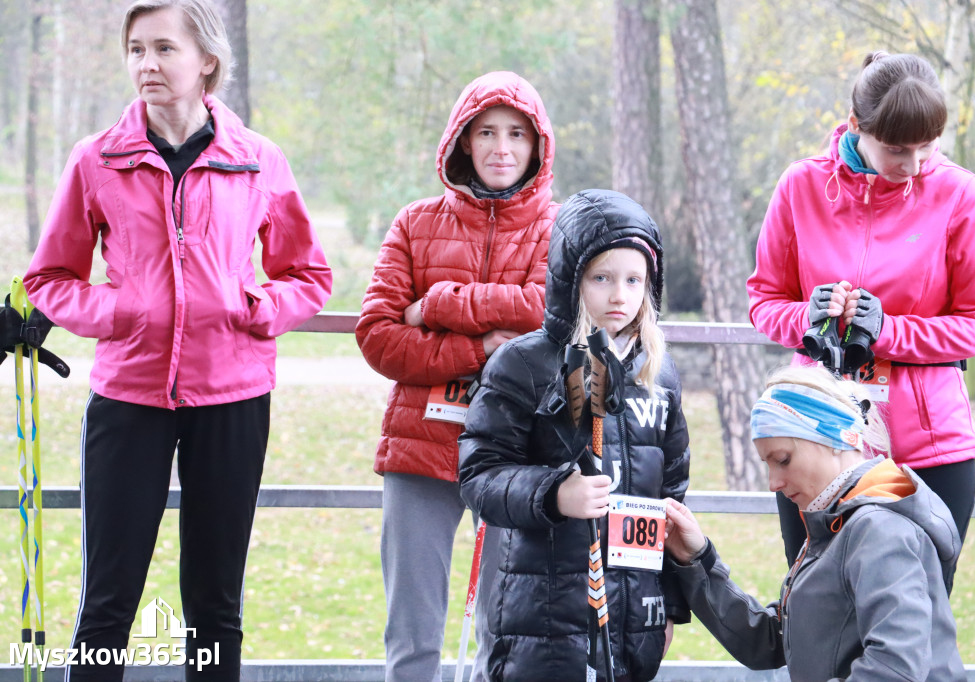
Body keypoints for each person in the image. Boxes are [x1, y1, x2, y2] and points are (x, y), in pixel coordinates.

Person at [23, 0, 332, 678]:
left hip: (235, 395)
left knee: (216, 606)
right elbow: (50, 276)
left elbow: (309, 274)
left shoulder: (258, 160)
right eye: (136, 49)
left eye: (164, 48)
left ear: (207, 63)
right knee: (107, 604)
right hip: (128, 397)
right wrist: (120, 311)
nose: (147, 63)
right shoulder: (96, 159)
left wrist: (255, 304)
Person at [747, 51, 975, 566]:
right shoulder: (801, 185)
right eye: (896, 149)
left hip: (927, 451)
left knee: (913, 620)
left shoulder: (961, 195)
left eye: (927, 148)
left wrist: (888, 330)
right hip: (816, 441)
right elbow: (764, 302)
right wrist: (807, 318)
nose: (912, 166)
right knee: (818, 615)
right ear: (856, 128)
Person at [355, 70, 558, 682]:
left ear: (537, 145)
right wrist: (483, 347)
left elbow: (549, 315)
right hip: (420, 447)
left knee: (506, 626)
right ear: (462, 142)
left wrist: (439, 303)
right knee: (412, 631)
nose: (502, 148)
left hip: (518, 454)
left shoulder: (561, 228)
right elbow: (380, 337)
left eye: (517, 134)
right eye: (487, 133)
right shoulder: (415, 223)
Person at [459, 188, 692, 682]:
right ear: (571, 279)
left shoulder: (660, 374)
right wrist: (553, 492)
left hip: (631, 612)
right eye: (601, 278)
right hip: (541, 614)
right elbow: (480, 476)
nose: (618, 295)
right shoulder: (523, 364)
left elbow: (671, 496)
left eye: (634, 280)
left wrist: (668, 601)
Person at [664, 364, 964, 681]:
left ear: (835, 438)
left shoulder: (880, 529)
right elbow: (773, 639)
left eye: (783, 460)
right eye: (768, 464)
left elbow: (895, 668)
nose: (773, 483)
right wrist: (697, 560)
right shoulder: (836, 521)